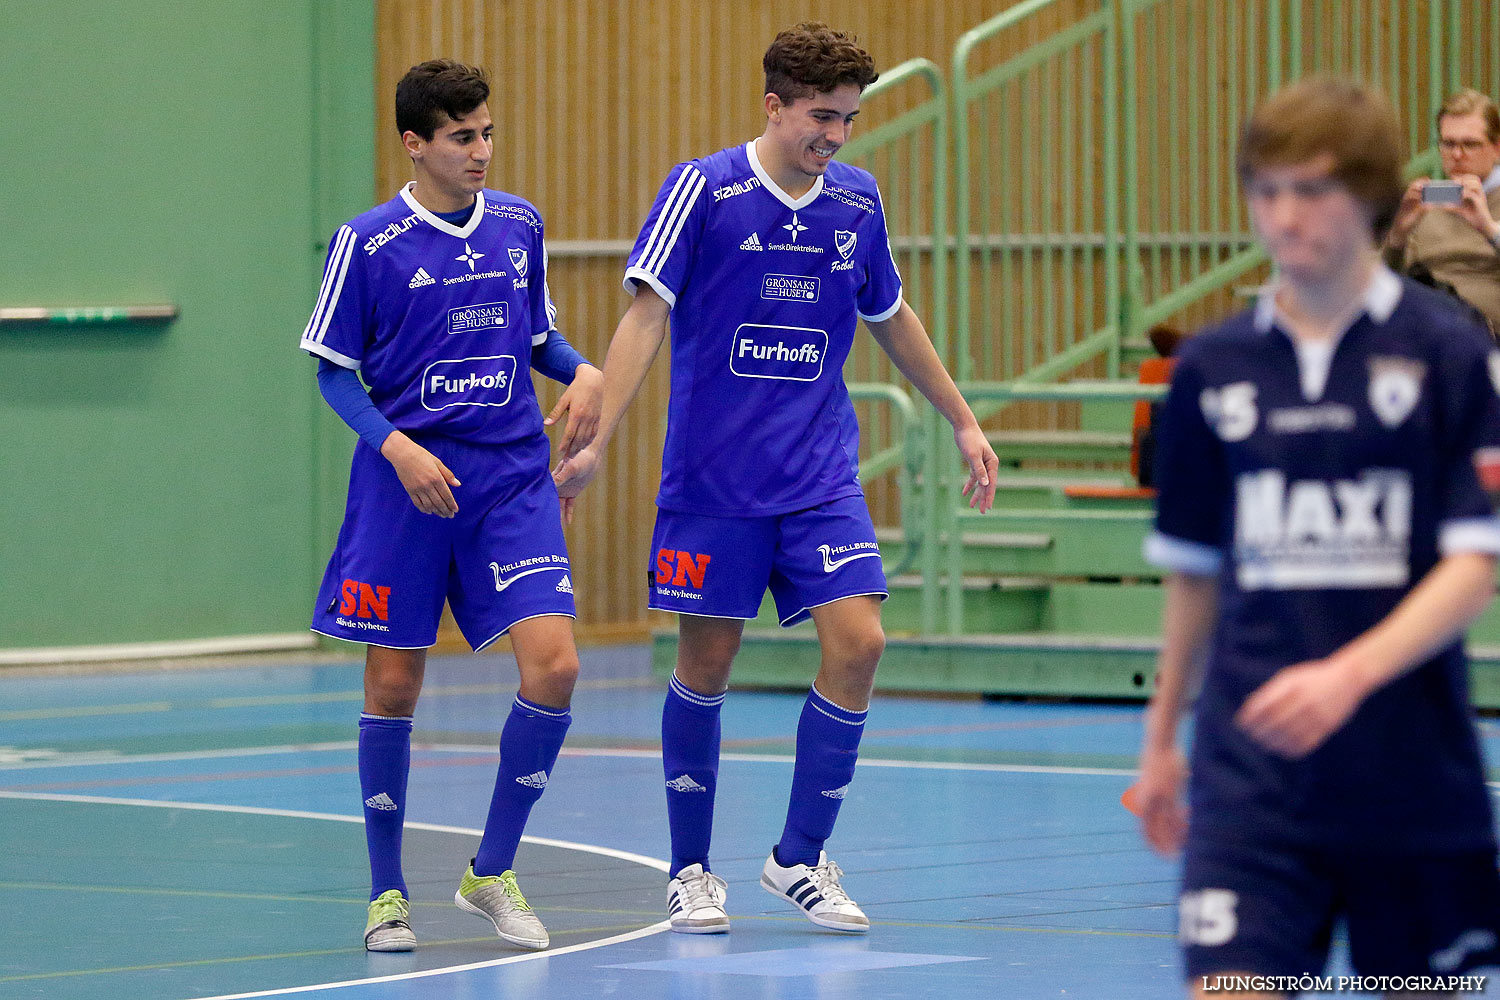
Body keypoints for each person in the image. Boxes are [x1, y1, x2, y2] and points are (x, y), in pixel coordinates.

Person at [551, 22, 998, 935]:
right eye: (819, 118)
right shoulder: (704, 191)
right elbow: (645, 318)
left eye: (848, 120)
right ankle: (688, 870)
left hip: (820, 478)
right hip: (714, 485)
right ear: (773, 105)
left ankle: (798, 855)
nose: (834, 137)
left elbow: (891, 313)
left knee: (861, 643)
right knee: (706, 664)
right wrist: (599, 440)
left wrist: (961, 418)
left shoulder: (858, 204)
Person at [1135, 76, 1500, 998]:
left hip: (1412, 777)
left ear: (1371, 197)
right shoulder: (1214, 368)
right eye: (1266, 191)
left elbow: (1474, 563)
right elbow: (1193, 577)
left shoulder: (1448, 355)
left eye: (1312, 191)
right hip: (1252, 782)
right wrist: (1161, 738)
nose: (1284, 216)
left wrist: (1350, 675)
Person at [297, 59, 602, 953]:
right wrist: (397, 447)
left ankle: (492, 871)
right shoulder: (369, 244)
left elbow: (539, 337)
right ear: (415, 143)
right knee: (394, 683)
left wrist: (581, 367)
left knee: (555, 668)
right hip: (408, 487)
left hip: (510, 479)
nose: (481, 151)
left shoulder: (519, 225)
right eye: (462, 136)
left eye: (488, 133)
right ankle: (387, 893)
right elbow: (333, 370)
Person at [1383, 88, 1500, 336]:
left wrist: (1488, 228)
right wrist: (1397, 237)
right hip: (1425, 325)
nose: (1457, 155)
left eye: (1470, 144)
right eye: (1448, 144)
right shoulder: (1421, 205)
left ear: (1496, 148)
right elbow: (1378, 284)